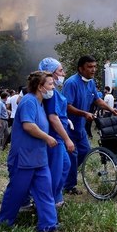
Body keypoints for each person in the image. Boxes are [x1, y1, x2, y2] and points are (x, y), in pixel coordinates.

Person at [0, 71, 59, 232]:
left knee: (45, 191)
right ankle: (4, 223)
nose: (53, 87)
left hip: (38, 157)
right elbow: (28, 126)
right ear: (40, 87)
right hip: (24, 157)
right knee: (17, 192)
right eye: (50, 84)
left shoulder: (39, 103)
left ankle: (48, 225)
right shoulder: (29, 102)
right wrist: (47, 138)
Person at [62, 55, 117, 195]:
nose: (93, 70)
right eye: (90, 67)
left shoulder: (91, 82)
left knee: (85, 152)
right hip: (68, 127)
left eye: (94, 66)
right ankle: (68, 186)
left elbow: (97, 100)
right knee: (72, 155)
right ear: (81, 68)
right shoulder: (71, 83)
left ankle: (65, 178)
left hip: (80, 127)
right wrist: (84, 114)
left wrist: (111, 109)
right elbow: (67, 106)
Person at [38, 58, 75, 207]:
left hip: (59, 135)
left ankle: (56, 197)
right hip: (55, 137)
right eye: (60, 71)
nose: (63, 73)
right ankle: (49, 201)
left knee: (64, 166)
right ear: (51, 73)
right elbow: (53, 117)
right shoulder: (51, 94)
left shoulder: (55, 92)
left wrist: (67, 121)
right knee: (56, 170)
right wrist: (67, 139)